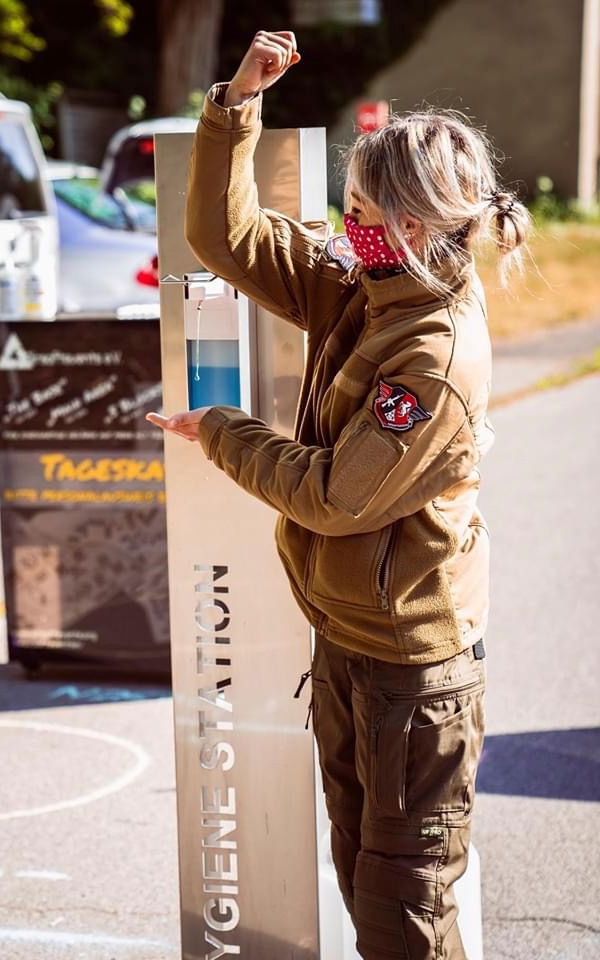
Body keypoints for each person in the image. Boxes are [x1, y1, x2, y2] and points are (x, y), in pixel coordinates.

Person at [147, 29, 531, 960]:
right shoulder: (372, 285)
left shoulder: (432, 356)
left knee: (404, 914)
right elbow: (225, 237)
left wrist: (225, 430)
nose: (344, 225)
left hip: (412, 674)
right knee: (366, 885)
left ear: (414, 226)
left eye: (360, 211)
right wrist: (237, 104)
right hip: (352, 645)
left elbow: (331, 498)